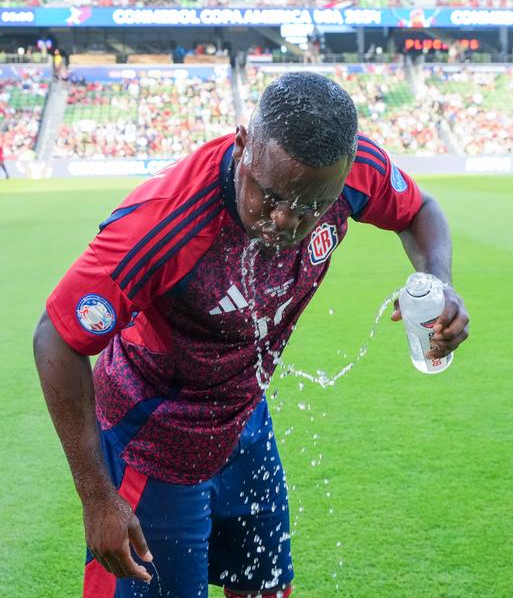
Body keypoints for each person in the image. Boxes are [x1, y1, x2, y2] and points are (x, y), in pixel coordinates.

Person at [33, 72, 469, 598]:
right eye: (270, 196)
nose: (284, 221)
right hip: (153, 440)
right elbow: (56, 338)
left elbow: (420, 210)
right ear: (243, 146)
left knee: (267, 588)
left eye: (310, 207)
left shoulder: (356, 171)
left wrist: (439, 284)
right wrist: (97, 497)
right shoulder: (163, 222)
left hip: (246, 421)